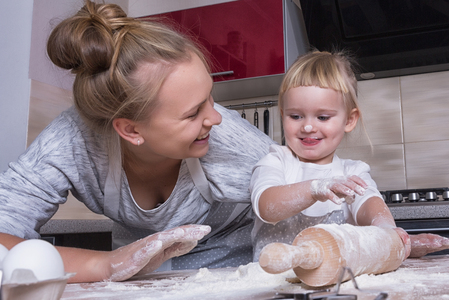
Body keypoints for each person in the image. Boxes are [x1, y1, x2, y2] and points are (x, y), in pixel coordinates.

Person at [0, 1, 275, 283]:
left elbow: (309, 197)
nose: (215, 118)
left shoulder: (229, 139)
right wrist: (104, 265)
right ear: (130, 131)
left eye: (210, 97)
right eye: (193, 113)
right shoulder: (71, 141)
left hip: (235, 264)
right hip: (142, 269)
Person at [249, 50, 449, 261]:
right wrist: (317, 188)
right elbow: (267, 206)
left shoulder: (352, 171)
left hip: (335, 287)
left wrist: (386, 229)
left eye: (323, 117)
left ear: (349, 120)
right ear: (282, 115)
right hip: (272, 287)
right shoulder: (275, 161)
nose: (307, 126)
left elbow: (369, 203)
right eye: (295, 116)